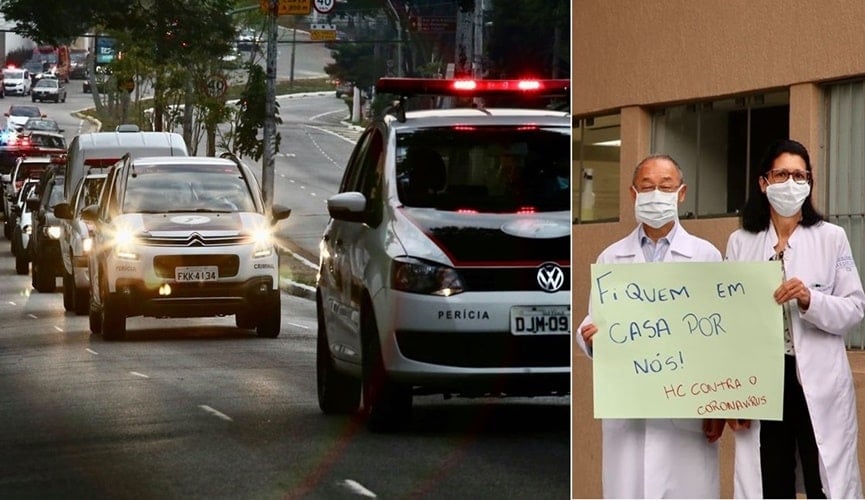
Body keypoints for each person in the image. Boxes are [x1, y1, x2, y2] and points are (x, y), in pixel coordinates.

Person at [575, 154, 725, 498]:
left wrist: (718, 405)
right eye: (647, 187)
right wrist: (591, 338)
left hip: (686, 411)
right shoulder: (611, 257)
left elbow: (720, 338)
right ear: (633, 194)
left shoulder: (706, 256)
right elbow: (594, 320)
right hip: (628, 408)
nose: (656, 195)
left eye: (665, 187)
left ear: (681, 194)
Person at [725, 139, 865, 499]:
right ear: (763, 182)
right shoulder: (741, 242)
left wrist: (810, 300)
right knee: (772, 479)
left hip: (817, 379)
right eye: (781, 174)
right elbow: (728, 321)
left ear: (809, 183)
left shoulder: (832, 238)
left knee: (823, 482)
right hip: (765, 381)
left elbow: (854, 308)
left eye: (800, 176)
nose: (791, 183)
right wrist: (733, 394)